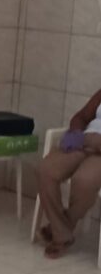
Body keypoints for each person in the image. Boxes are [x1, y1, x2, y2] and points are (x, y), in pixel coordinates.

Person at [37, 88, 101, 258]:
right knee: (46, 170)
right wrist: (76, 134)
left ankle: (60, 232)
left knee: (84, 181)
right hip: (84, 142)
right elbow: (81, 117)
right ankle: (62, 232)